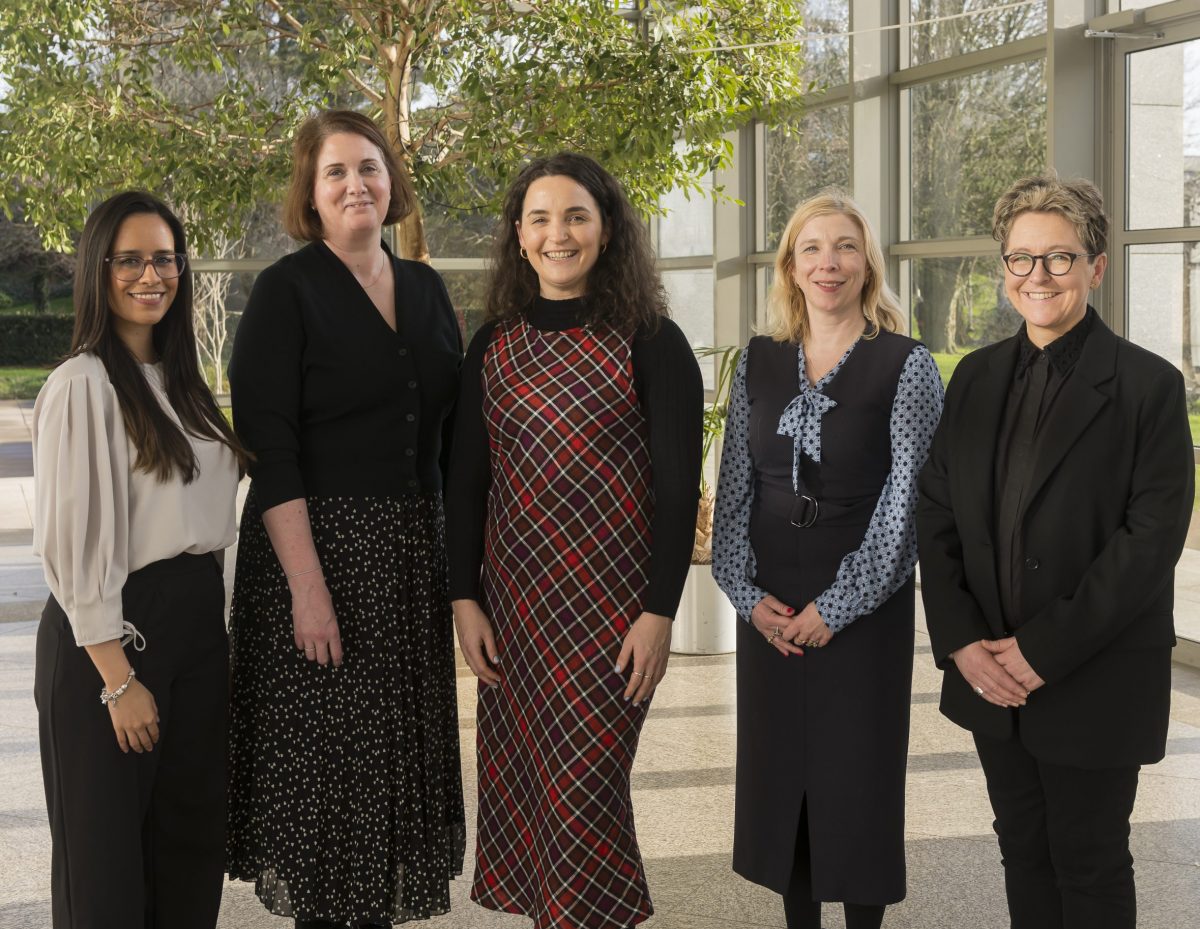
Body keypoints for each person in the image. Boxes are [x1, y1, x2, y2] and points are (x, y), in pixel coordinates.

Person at [917, 175, 1193, 929]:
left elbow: (1149, 542)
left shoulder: (1149, 388)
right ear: (1004, 268)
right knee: (1022, 851)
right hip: (989, 676)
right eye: (1022, 258)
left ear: (1097, 267)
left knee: (1091, 856)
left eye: (1059, 259)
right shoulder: (973, 378)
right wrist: (963, 642)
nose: (1038, 276)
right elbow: (935, 510)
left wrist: (1039, 651)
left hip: (1093, 674)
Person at [445, 152, 703, 929]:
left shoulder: (651, 340)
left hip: (613, 617)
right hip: (517, 612)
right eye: (541, 218)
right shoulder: (492, 344)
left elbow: (677, 490)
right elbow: (466, 483)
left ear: (608, 228)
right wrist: (464, 595)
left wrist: (660, 611)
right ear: (518, 236)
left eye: (577, 216)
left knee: (582, 795)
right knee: (533, 798)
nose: (559, 233)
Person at [225, 110, 465, 929]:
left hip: (408, 565)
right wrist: (306, 589)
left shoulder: (428, 288)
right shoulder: (285, 293)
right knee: (333, 805)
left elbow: (452, 439)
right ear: (312, 195)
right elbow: (271, 449)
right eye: (337, 173)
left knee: (387, 795)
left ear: (391, 181)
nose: (357, 184)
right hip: (318, 563)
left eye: (369, 167)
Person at [712, 191, 944, 929]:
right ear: (791, 264)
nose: (828, 263)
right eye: (812, 247)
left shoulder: (905, 365)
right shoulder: (760, 359)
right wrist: (745, 595)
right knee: (785, 774)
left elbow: (908, 500)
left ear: (867, 262)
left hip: (863, 597)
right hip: (773, 592)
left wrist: (838, 606)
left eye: (844, 246)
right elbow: (736, 487)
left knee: (857, 774)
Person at [31, 190, 246, 928]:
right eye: (130, 259)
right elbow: (71, 543)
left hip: (192, 630)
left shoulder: (187, 387)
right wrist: (118, 681)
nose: (150, 274)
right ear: (100, 268)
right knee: (106, 875)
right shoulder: (82, 385)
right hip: (114, 637)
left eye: (164, 258)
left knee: (188, 857)